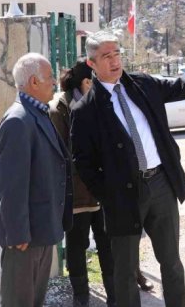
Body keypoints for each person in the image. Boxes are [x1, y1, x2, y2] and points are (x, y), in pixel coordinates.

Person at [71, 31, 185, 307]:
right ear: (91, 63)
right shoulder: (85, 110)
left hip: (160, 184)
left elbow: (183, 85)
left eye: (117, 54)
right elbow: (82, 162)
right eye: (106, 56)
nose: (114, 61)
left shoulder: (142, 85)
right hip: (123, 197)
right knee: (124, 270)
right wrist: (108, 194)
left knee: (171, 263)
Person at [0, 52, 73, 307]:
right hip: (24, 240)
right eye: (50, 77)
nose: (55, 82)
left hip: (42, 231)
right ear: (34, 82)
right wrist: (18, 233)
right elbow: (11, 186)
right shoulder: (18, 121)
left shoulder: (38, 113)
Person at [49, 59, 116, 306]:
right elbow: (61, 153)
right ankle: (81, 297)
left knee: (107, 244)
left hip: (101, 190)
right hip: (76, 192)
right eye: (94, 81)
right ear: (86, 82)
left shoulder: (98, 102)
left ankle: (114, 296)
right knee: (77, 247)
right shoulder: (59, 110)